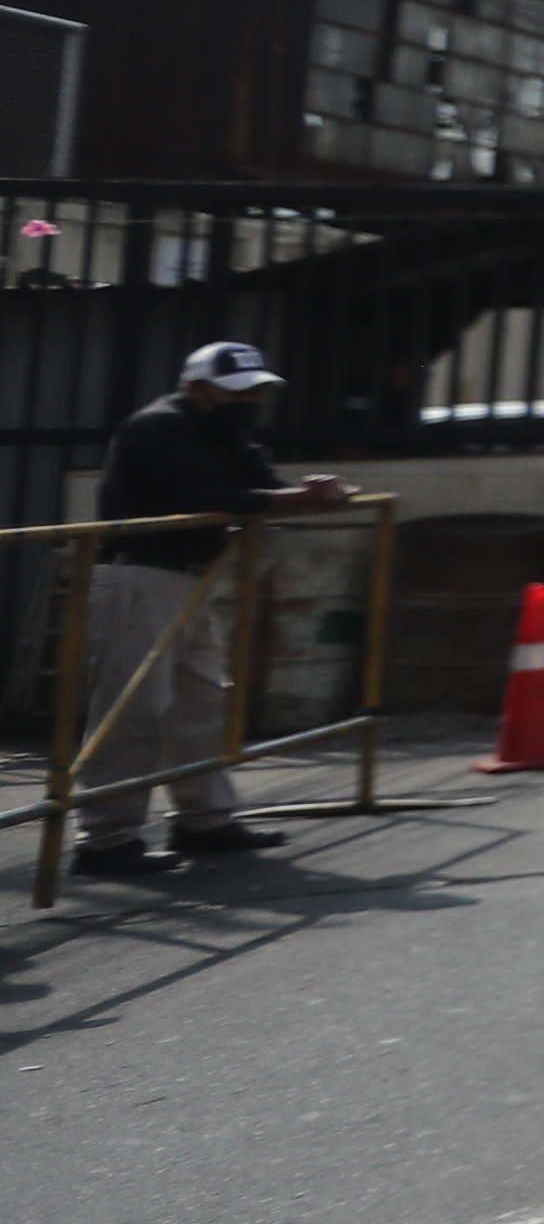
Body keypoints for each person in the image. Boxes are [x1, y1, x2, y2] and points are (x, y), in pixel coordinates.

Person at [80, 342, 353, 878]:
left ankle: (203, 820)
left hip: (185, 577)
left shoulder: (221, 432)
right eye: (235, 391)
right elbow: (205, 495)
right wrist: (297, 498)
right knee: (133, 708)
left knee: (200, 699)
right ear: (195, 387)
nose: (247, 400)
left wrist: (315, 492)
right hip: (142, 575)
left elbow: (262, 484)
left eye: (253, 391)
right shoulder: (157, 427)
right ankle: (105, 838)